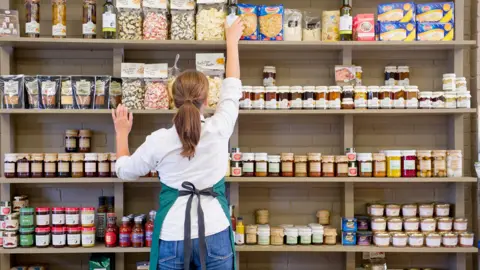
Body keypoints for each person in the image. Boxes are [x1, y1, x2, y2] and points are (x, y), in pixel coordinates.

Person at [112, 19, 244, 270]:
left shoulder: (158, 140)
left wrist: (121, 133)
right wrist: (231, 41)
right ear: (206, 99)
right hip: (215, 231)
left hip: (172, 234)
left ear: (172, 99)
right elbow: (232, 86)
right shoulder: (220, 127)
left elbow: (125, 171)